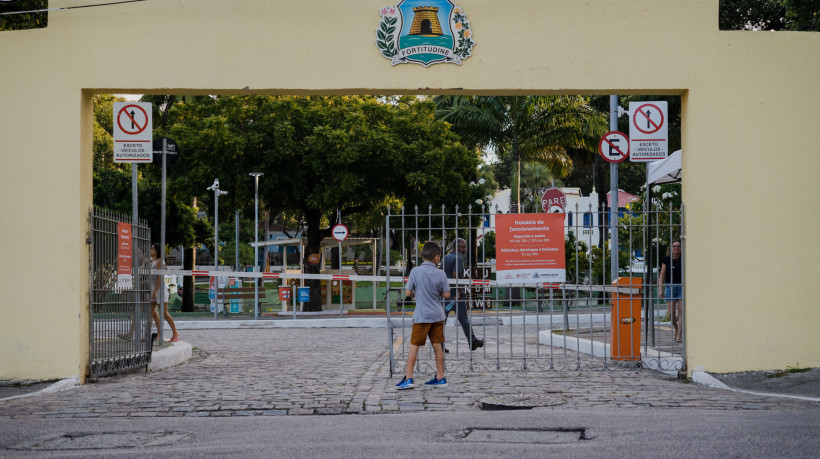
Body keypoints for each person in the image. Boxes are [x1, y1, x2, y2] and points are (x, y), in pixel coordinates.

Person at [395, 241, 450, 390]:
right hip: (438, 315)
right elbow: (446, 294)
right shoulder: (441, 273)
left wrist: (417, 292)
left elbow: (408, 292)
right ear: (437, 257)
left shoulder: (415, 272)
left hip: (422, 316)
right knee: (437, 346)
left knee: (414, 346)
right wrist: (436, 291)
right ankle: (440, 377)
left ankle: (409, 378)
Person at [442, 238, 484, 351]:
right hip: (456, 296)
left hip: (445, 294)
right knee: (464, 319)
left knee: (442, 320)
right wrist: (458, 291)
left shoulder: (444, 258)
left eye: (465, 247)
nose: (464, 249)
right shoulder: (458, 258)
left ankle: (440, 345)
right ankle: (473, 341)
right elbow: (456, 275)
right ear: (456, 247)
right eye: (463, 247)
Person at [150, 243, 180, 343]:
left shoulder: (159, 262)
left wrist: (155, 291)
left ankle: (175, 333)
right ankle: (153, 335)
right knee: (151, 312)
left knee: (164, 313)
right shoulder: (152, 261)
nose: (150, 250)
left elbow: (160, 277)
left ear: (156, 251)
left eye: (152, 249)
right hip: (153, 289)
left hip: (159, 290)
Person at [659, 240, 683, 342]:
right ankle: (677, 329)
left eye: (678, 246)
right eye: (674, 246)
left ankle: (679, 336)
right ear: (671, 248)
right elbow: (662, 275)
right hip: (670, 286)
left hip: (681, 286)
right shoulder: (666, 259)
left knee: (681, 312)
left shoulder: (683, 259)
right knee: (671, 313)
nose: (676, 248)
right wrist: (660, 288)